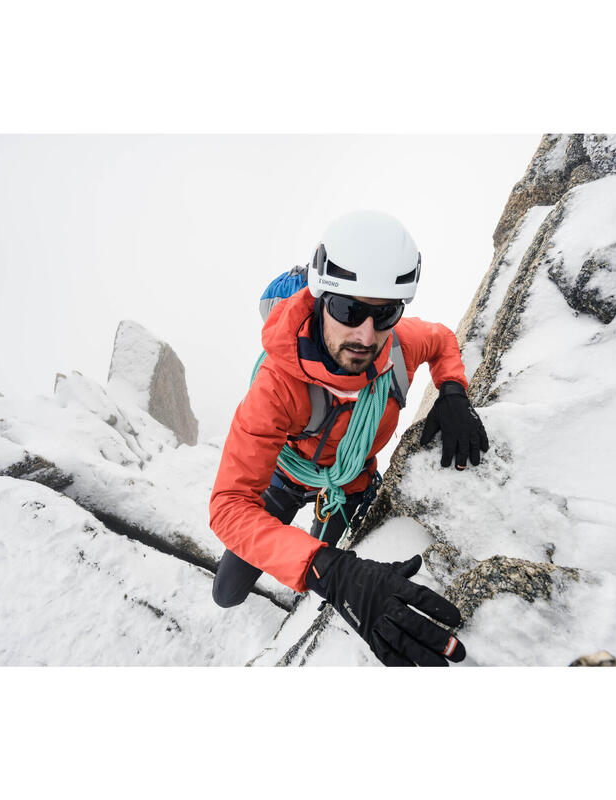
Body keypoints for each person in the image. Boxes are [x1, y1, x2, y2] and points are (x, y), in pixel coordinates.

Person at [209, 210, 489, 666]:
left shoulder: (399, 344)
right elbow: (229, 504)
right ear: (321, 299)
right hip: (285, 477)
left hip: (350, 483)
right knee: (227, 592)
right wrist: (330, 572)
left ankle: (306, 604)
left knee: (329, 567)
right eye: (348, 309)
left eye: (385, 314)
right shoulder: (277, 385)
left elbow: (441, 341)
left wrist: (453, 391)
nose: (366, 334)